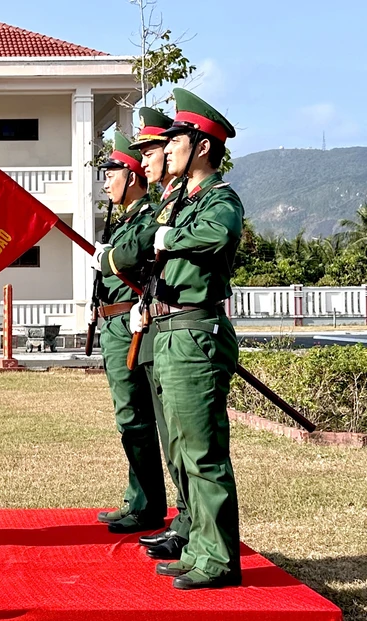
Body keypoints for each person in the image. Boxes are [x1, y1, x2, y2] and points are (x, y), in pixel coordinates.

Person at [131, 89, 244, 589]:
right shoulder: (181, 199)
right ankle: (200, 545)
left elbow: (220, 235)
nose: (168, 146)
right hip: (171, 331)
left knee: (202, 451)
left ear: (201, 147)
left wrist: (167, 238)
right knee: (179, 446)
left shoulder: (219, 199)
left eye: (177, 138)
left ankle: (219, 559)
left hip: (197, 333)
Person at [124, 107, 192, 561]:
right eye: (150, 149)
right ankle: (187, 526)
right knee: (173, 438)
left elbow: (143, 253)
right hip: (157, 322)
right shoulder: (169, 200)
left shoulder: (180, 202)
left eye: (156, 149)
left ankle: (192, 530)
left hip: (184, 327)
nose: (152, 158)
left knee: (186, 442)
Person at [91, 131, 166, 534]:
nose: (105, 181)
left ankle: (146, 505)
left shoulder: (148, 216)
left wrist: (106, 261)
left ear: (132, 176)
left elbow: (131, 258)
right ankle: (138, 499)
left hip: (129, 323)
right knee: (129, 417)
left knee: (135, 417)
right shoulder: (123, 221)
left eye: (111, 172)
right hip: (114, 322)